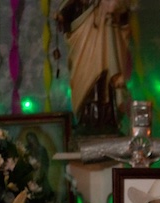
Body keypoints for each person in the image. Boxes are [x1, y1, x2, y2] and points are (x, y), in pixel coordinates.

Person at [56, 0, 132, 134]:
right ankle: (87, 119)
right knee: (85, 78)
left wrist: (116, 6)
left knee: (108, 78)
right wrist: (63, 15)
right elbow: (68, 10)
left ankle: (108, 119)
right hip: (83, 41)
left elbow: (124, 12)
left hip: (109, 36)